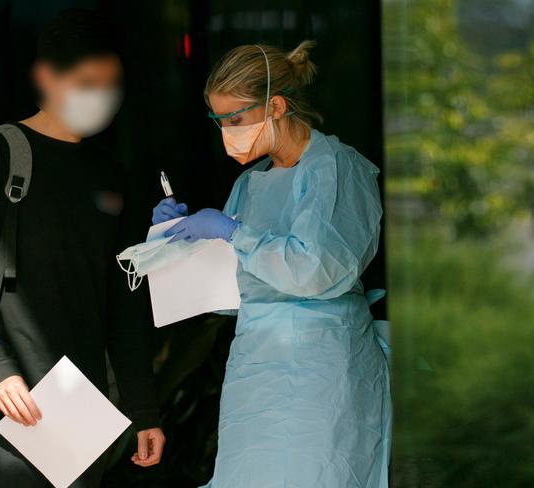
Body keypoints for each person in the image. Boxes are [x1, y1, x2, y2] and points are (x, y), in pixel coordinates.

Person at [0, 9, 164, 487]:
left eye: (110, 84)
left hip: (84, 409)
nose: (100, 97)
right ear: (47, 78)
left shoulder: (110, 174)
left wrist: (143, 407)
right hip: (11, 403)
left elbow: (126, 297)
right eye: (86, 82)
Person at [152, 41, 391, 487]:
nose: (227, 132)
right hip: (256, 370)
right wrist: (173, 241)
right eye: (218, 121)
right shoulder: (251, 183)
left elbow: (317, 270)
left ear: (276, 106)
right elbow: (228, 293)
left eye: (235, 119)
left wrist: (232, 233)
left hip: (321, 369)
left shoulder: (335, 168)